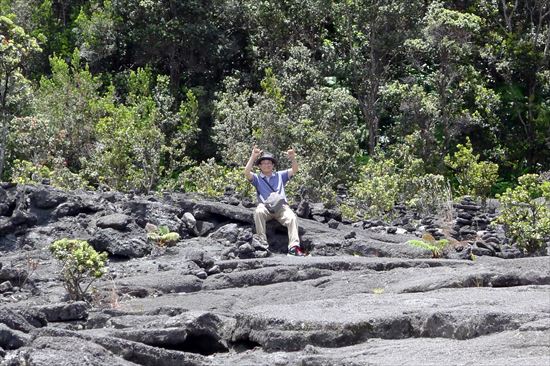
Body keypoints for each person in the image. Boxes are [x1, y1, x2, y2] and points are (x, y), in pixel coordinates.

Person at [244, 145, 306, 256]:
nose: (267, 165)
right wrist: (253, 157)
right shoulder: (257, 178)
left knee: (292, 218)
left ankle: (294, 248)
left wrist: (292, 158)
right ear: (259, 166)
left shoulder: (280, 175)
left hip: (281, 207)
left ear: (273, 165)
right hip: (265, 207)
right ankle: (262, 243)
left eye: (269, 163)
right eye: (264, 163)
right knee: (258, 212)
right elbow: (247, 172)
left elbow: (295, 170)